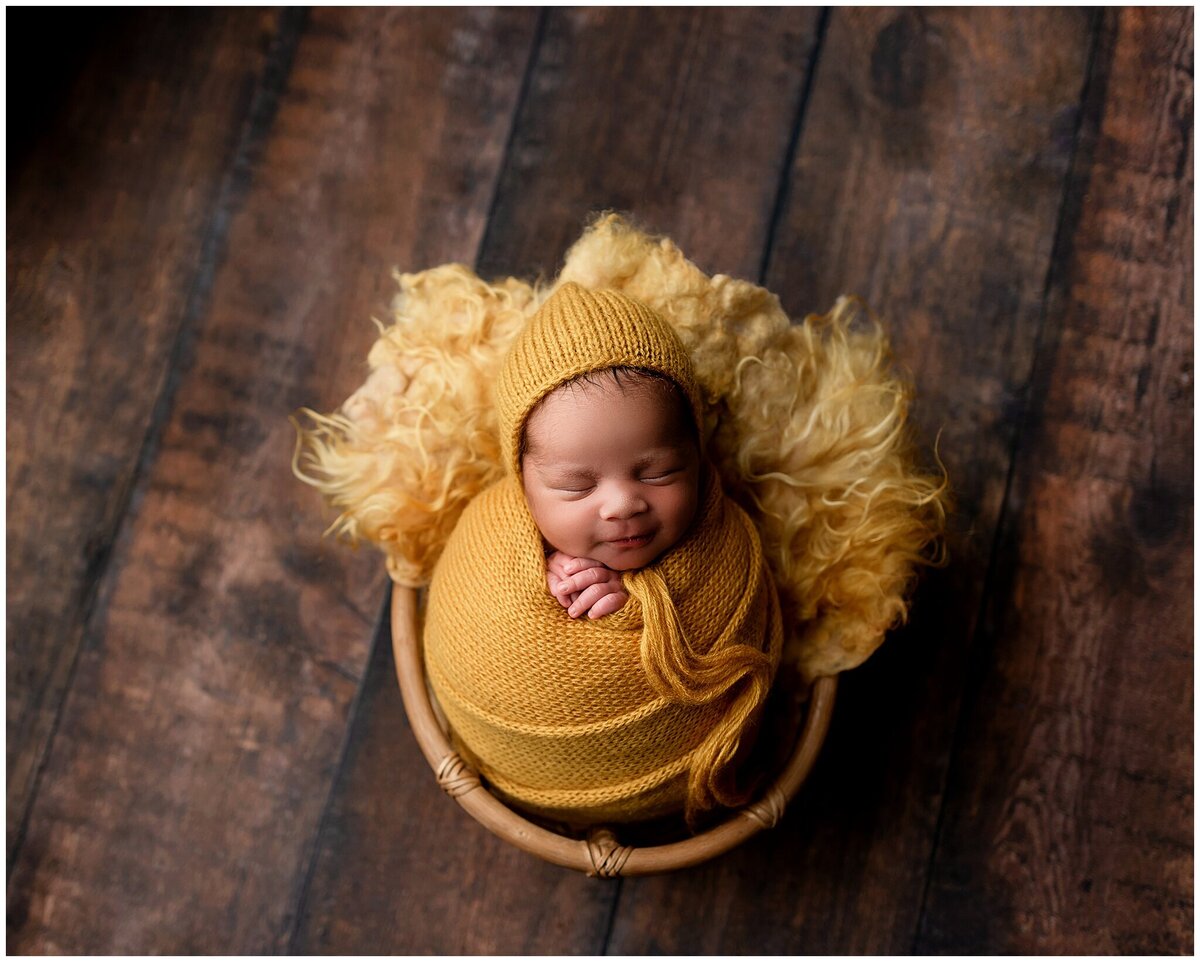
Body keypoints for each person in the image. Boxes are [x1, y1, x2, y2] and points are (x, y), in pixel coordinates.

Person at [521, 365, 701, 621]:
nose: (623, 505)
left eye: (659, 473)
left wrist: (635, 593)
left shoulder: (731, 554)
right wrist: (539, 566)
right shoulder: (493, 546)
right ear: (524, 488)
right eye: (578, 487)